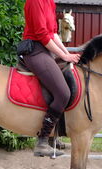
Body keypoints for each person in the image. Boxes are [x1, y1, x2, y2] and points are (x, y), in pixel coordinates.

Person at [22, 0, 80, 157]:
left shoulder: (50, 2)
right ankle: (42, 141)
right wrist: (64, 55)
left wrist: (67, 53)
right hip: (35, 51)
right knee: (63, 93)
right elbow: (41, 34)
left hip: (46, 50)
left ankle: (57, 133)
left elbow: (53, 33)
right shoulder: (35, 1)